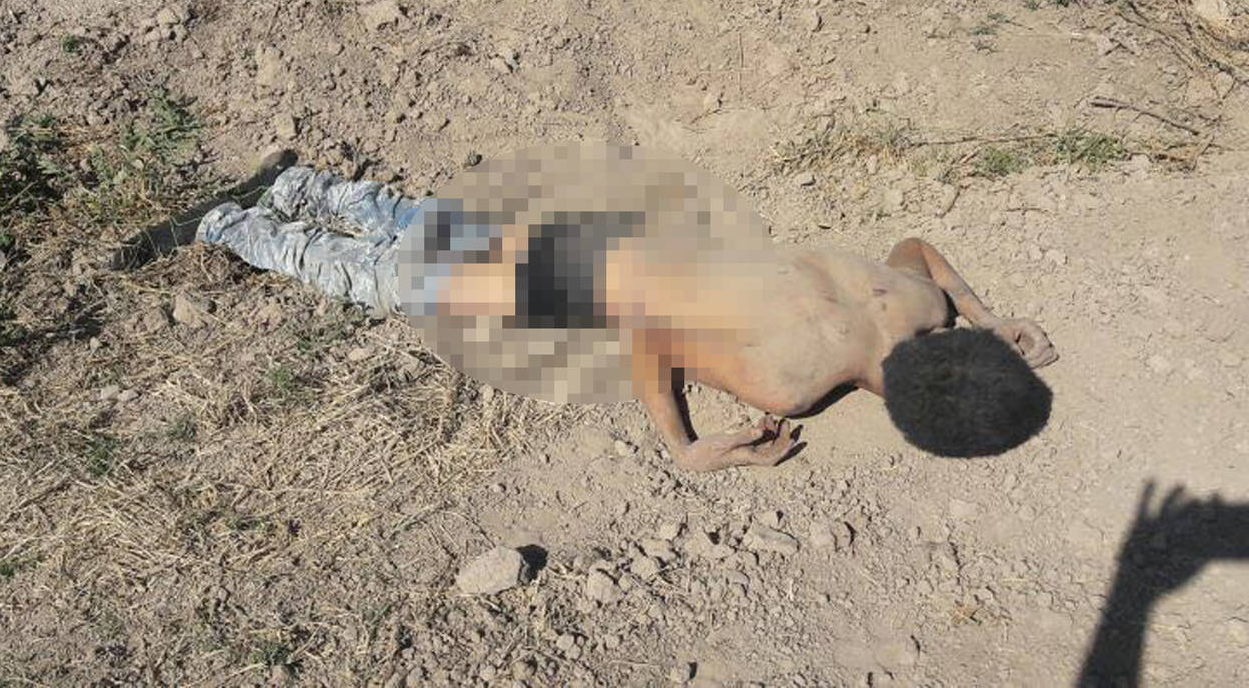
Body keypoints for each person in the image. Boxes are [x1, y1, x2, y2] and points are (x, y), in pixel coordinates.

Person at [198, 164, 1057, 472]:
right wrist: (685, 447)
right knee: (388, 277)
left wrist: (986, 315)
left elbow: (919, 247)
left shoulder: (916, 300)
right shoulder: (793, 382)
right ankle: (227, 224)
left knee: (427, 225)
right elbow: (651, 338)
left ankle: (299, 185)